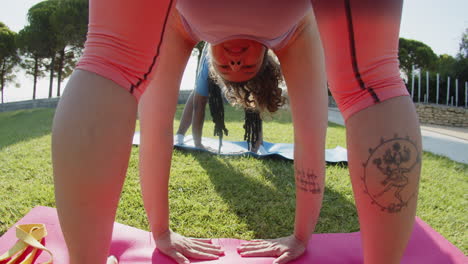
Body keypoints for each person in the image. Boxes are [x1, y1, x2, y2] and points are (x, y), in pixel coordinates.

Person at [52, 1, 421, 264]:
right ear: (265, 57)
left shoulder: (181, 23)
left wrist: (300, 237)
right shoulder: (294, 32)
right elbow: (156, 132)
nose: (234, 59)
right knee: (371, 80)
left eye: (230, 66)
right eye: (243, 65)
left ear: (210, 60)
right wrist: (160, 232)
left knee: (109, 60)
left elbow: (311, 141)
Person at [176, 43, 265, 153]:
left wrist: (257, 144)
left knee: (252, 96)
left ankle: (258, 142)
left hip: (244, 44)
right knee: (199, 91)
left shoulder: (251, 63)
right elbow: (199, 102)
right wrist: (197, 143)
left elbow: (254, 100)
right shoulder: (210, 60)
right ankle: (180, 135)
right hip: (217, 45)